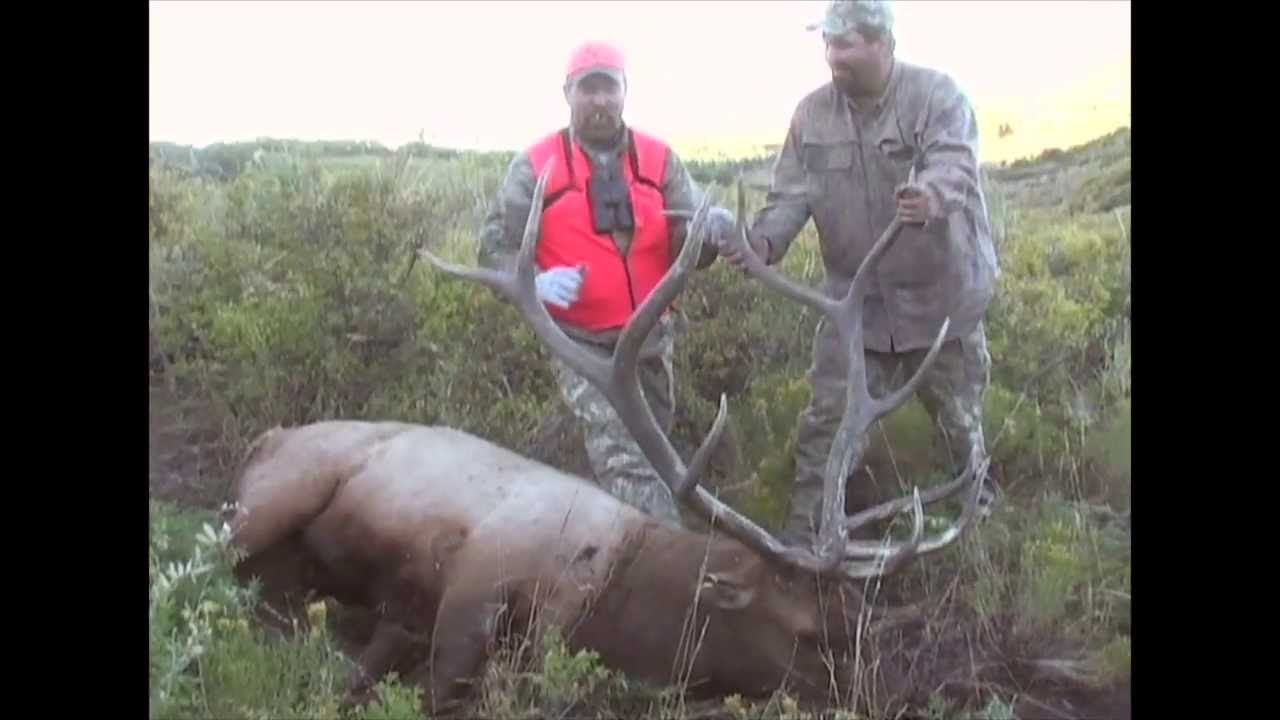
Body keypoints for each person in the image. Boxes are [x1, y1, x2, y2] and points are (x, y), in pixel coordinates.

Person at [716, 0, 999, 544]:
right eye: (827, 43)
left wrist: (932, 196)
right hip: (857, 313)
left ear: (882, 42)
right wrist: (765, 240)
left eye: (844, 44)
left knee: (960, 427)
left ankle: (979, 540)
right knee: (827, 432)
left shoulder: (936, 95)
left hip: (941, 307)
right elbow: (790, 196)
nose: (831, 57)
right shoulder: (811, 114)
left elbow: (955, 163)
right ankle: (804, 547)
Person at [477, 41, 735, 527]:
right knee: (627, 463)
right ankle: (670, 566)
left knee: (655, 449)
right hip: (581, 346)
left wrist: (711, 233)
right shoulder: (535, 165)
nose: (599, 100)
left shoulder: (659, 160)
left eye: (608, 88)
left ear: (624, 92)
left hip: (653, 339)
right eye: (587, 89)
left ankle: (605, 541)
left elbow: (693, 245)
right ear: (567, 93)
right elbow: (492, 247)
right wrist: (531, 279)